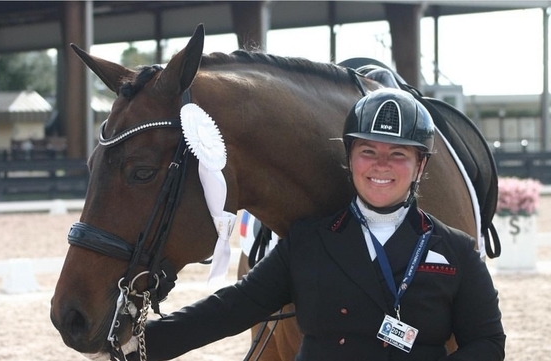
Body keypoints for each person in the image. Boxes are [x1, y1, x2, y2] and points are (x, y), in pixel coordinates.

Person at [139, 88, 505, 360]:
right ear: (349, 157)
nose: (381, 165)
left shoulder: (456, 249)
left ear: (420, 166)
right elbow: (233, 307)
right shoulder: (306, 242)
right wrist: (140, 344)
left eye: (398, 154)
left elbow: (488, 341)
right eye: (368, 152)